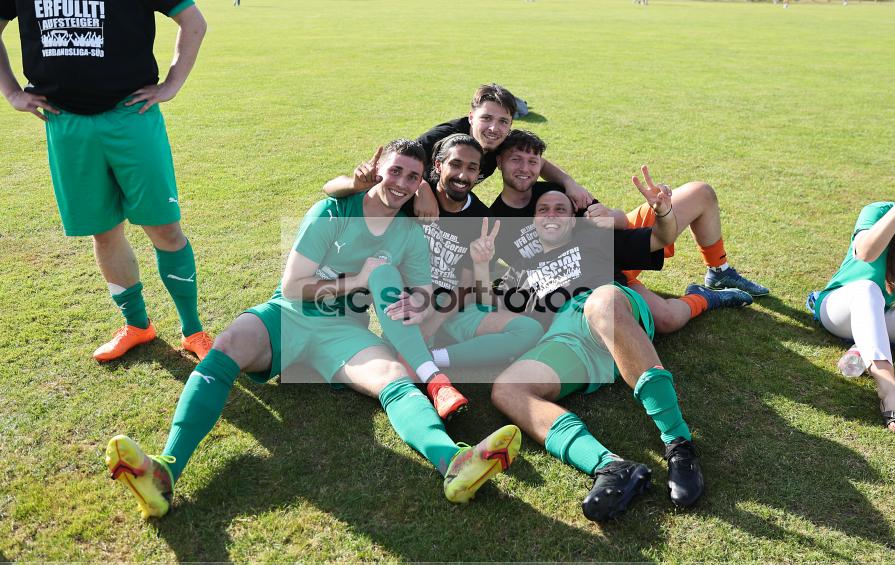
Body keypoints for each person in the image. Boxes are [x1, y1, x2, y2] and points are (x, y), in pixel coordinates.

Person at [104, 140, 521, 518]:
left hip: (345, 331)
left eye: (412, 176)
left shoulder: (408, 232)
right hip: (289, 314)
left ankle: (453, 463)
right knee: (230, 342)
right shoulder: (332, 211)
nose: (402, 183)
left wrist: (421, 299)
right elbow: (293, 286)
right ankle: (166, 469)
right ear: (378, 168)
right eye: (395, 171)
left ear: (420, 184)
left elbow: (426, 285)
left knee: (394, 378)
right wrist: (357, 282)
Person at [0, 0, 214, 361]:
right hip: (65, 122)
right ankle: (137, 326)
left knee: (164, 228)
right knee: (104, 231)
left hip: (131, 114)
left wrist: (172, 84)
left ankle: (193, 331)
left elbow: (193, 22)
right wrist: (10, 91)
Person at [489, 180, 705, 522]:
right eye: (542, 209)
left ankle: (679, 444)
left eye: (561, 208)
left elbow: (660, 238)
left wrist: (662, 213)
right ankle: (611, 467)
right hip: (566, 338)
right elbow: (487, 313)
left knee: (601, 301)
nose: (551, 214)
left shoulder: (593, 237)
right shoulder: (518, 274)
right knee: (507, 389)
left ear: (573, 220)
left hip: (612, 308)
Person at [327, 134, 543, 419]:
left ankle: (431, 358)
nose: (463, 175)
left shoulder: (481, 218)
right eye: (455, 164)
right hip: (408, 302)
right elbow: (332, 189)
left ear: (479, 174)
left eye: (471, 168)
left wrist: (437, 318)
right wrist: (360, 181)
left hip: (452, 307)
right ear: (438, 166)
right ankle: (425, 371)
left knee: (529, 330)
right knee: (388, 343)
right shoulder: (407, 196)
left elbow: (469, 285)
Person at [492, 129, 764, 335]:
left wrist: (609, 216)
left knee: (700, 193)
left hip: (618, 246)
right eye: (516, 160)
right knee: (666, 320)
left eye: (532, 161)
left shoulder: (558, 192)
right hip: (597, 276)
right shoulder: (495, 224)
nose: (525, 168)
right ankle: (705, 297)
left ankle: (718, 271)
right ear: (500, 161)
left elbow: (619, 219)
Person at [324, 83, 597, 217]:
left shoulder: (501, 140)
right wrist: (423, 190)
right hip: (406, 204)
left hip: (451, 200)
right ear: (471, 117)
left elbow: (537, 162)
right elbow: (404, 163)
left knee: (483, 225)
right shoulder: (444, 137)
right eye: (486, 118)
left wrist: (569, 183)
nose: (494, 128)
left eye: (503, 121)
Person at [810, 202, 895, 432]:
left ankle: (863, 345)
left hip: (883, 315)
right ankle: (888, 389)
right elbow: (866, 253)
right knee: (867, 289)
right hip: (840, 307)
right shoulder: (878, 211)